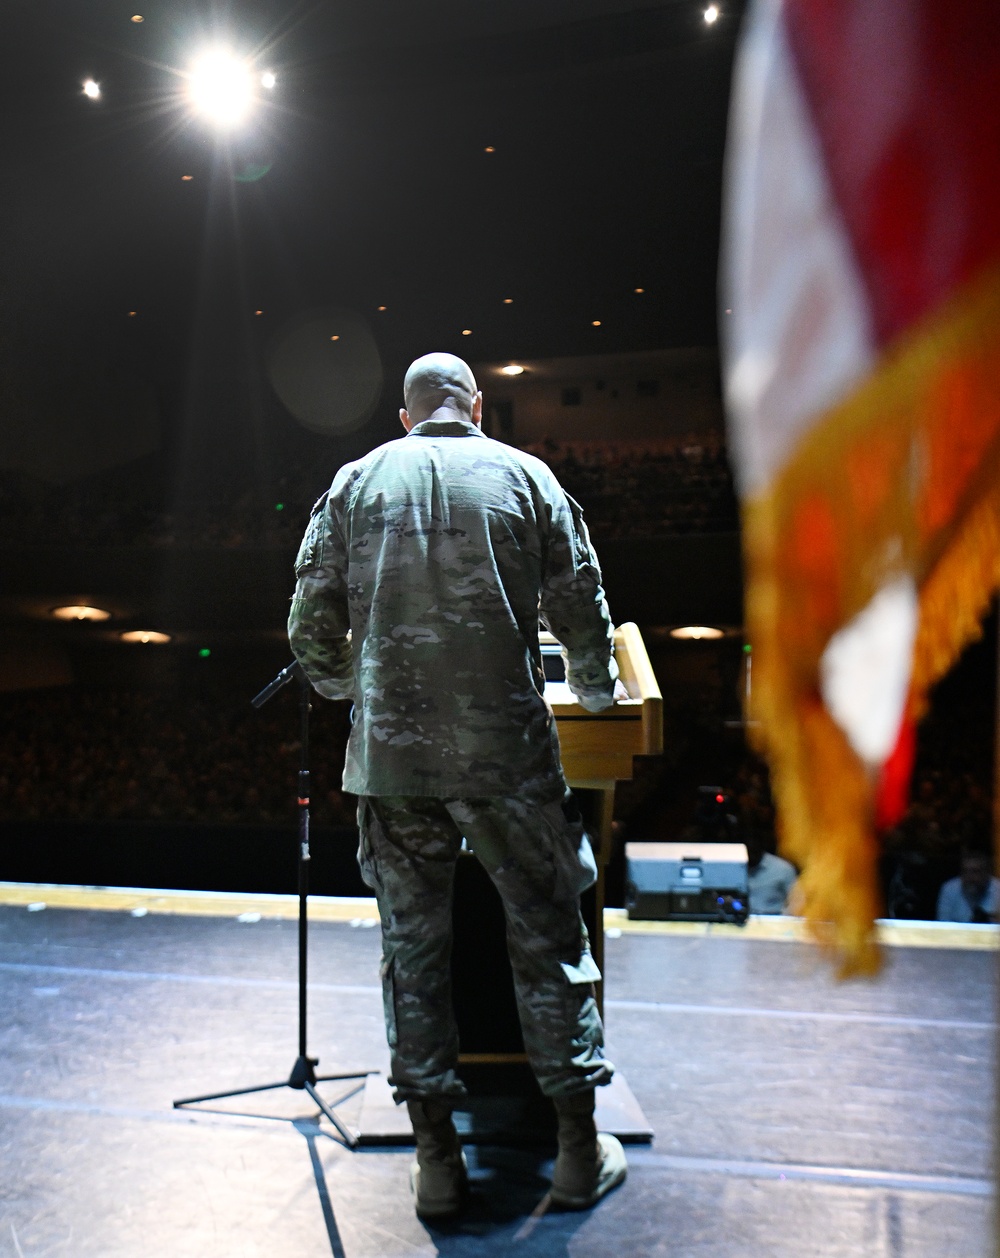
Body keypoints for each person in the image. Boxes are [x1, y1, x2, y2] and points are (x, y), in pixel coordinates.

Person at [288, 352, 626, 1217]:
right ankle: (577, 1153)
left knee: (415, 955)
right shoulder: (526, 475)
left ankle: (439, 1162)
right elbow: (581, 599)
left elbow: (308, 621)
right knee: (550, 941)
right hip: (506, 756)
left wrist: (350, 688)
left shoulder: (357, 481)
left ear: (404, 415)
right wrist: (594, 692)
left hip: (394, 767)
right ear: (476, 405)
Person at [935, 848, 1000, 923]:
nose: (969, 877)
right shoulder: (949, 889)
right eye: (965, 871)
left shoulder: (998, 889)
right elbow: (943, 924)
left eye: (975, 872)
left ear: (987, 872)